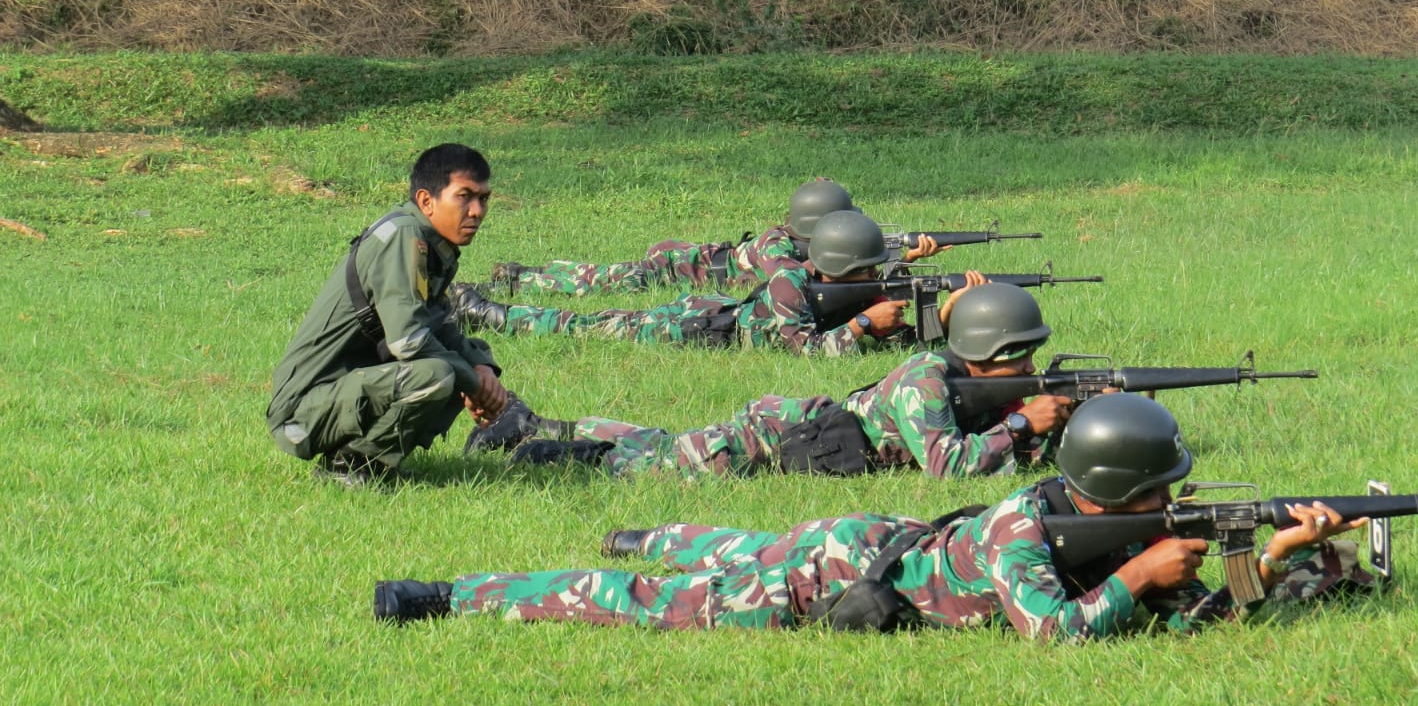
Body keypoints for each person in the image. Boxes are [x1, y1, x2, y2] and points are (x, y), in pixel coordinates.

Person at [373, 394, 1373, 632]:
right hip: (843, 573)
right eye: (1159, 496)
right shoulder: (1024, 536)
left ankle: (652, 527)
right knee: (642, 598)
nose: (1172, 509)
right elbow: (1058, 634)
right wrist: (1134, 579)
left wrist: (1286, 555)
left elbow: (1186, 604)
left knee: (732, 542)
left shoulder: (1087, 509)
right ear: (1116, 498)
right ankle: (445, 596)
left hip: (873, 530)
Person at [470, 282, 1077, 476]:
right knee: (657, 464)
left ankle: (534, 423)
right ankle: (549, 449)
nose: (1025, 371)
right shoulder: (925, 379)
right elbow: (946, 464)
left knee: (659, 441)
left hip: (814, 429)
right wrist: (1024, 422)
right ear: (979, 350)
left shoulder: (966, 376)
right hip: (784, 435)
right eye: (1016, 358)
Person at [266, 144, 510, 486]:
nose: (476, 211)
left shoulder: (430, 242)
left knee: (470, 354)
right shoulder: (402, 237)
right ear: (426, 201)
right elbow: (409, 341)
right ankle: (351, 465)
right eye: (464, 196)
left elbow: (437, 324)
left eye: (483, 198)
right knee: (437, 372)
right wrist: (473, 384)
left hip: (341, 391)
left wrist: (482, 369)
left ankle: (374, 463)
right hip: (302, 413)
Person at [449, 210, 927, 359]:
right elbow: (806, 350)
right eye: (867, 270)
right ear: (841, 270)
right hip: (694, 326)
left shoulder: (826, 281)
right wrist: (864, 324)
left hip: (714, 308)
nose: (874, 278)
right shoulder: (789, 282)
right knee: (592, 326)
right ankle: (491, 313)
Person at [485, 178, 864, 298]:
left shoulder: (797, 242)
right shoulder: (775, 244)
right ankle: (521, 278)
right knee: (599, 280)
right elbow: (790, 280)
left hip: (695, 260)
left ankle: (527, 273)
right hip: (681, 270)